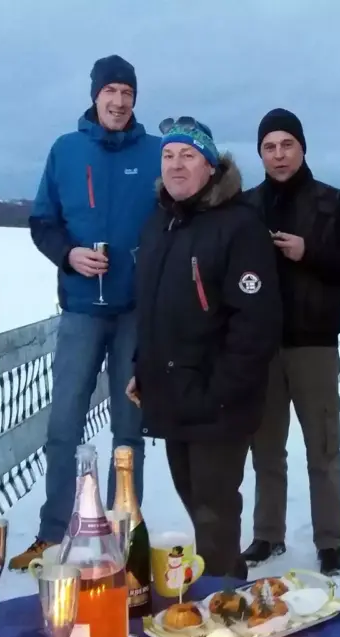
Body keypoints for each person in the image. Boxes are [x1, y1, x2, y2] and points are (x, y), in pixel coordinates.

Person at [9, 54, 161, 570]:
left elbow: (178, 217)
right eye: (110, 92)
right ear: (95, 96)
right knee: (64, 426)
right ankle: (53, 534)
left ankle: (123, 532)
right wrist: (69, 254)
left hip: (135, 314)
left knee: (129, 430)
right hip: (80, 310)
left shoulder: (156, 153)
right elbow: (42, 222)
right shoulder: (66, 151)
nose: (118, 102)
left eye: (127, 93)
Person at [127, 118, 282, 580]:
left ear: (211, 167)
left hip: (217, 401)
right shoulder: (159, 224)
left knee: (215, 512)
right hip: (173, 393)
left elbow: (255, 324)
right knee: (196, 502)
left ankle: (221, 602)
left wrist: (221, 391)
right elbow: (151, 309)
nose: (175, 165)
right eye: (168, 155)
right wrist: (142, 367)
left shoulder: (239, 227)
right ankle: (225, 586)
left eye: (188, 156)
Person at [241, 108, 340, 577]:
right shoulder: (245, 207)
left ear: (302, 147)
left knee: (323, 446)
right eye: (269, 147)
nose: (278, 155)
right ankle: (267, 534)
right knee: (265, 449)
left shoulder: (333, 204)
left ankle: (329, 541)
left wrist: (308, 251)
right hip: (261, 347)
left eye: (286, 144)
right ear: (260, 154)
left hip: (313, 344)